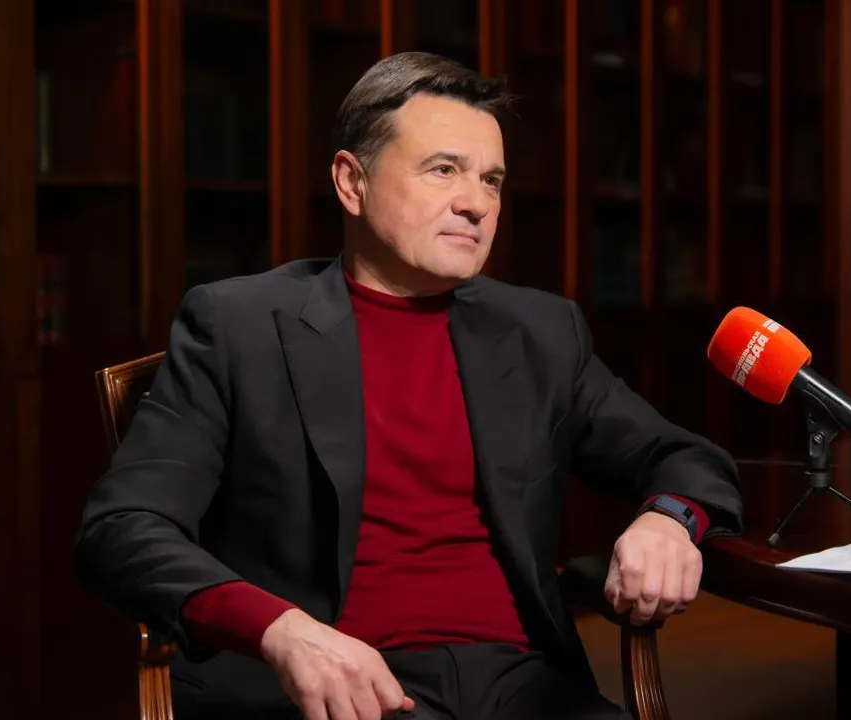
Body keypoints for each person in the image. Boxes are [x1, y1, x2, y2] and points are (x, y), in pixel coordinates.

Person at [73, 52, 743, 720]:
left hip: (521, 684)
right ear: (351, 182)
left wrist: (669, 519)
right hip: (337, 691)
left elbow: (684, 457)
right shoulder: (238, 326)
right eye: (443, 169)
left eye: (491, 179)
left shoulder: (538, 332)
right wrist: (283, 631)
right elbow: (122, 529)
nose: (476, 203)